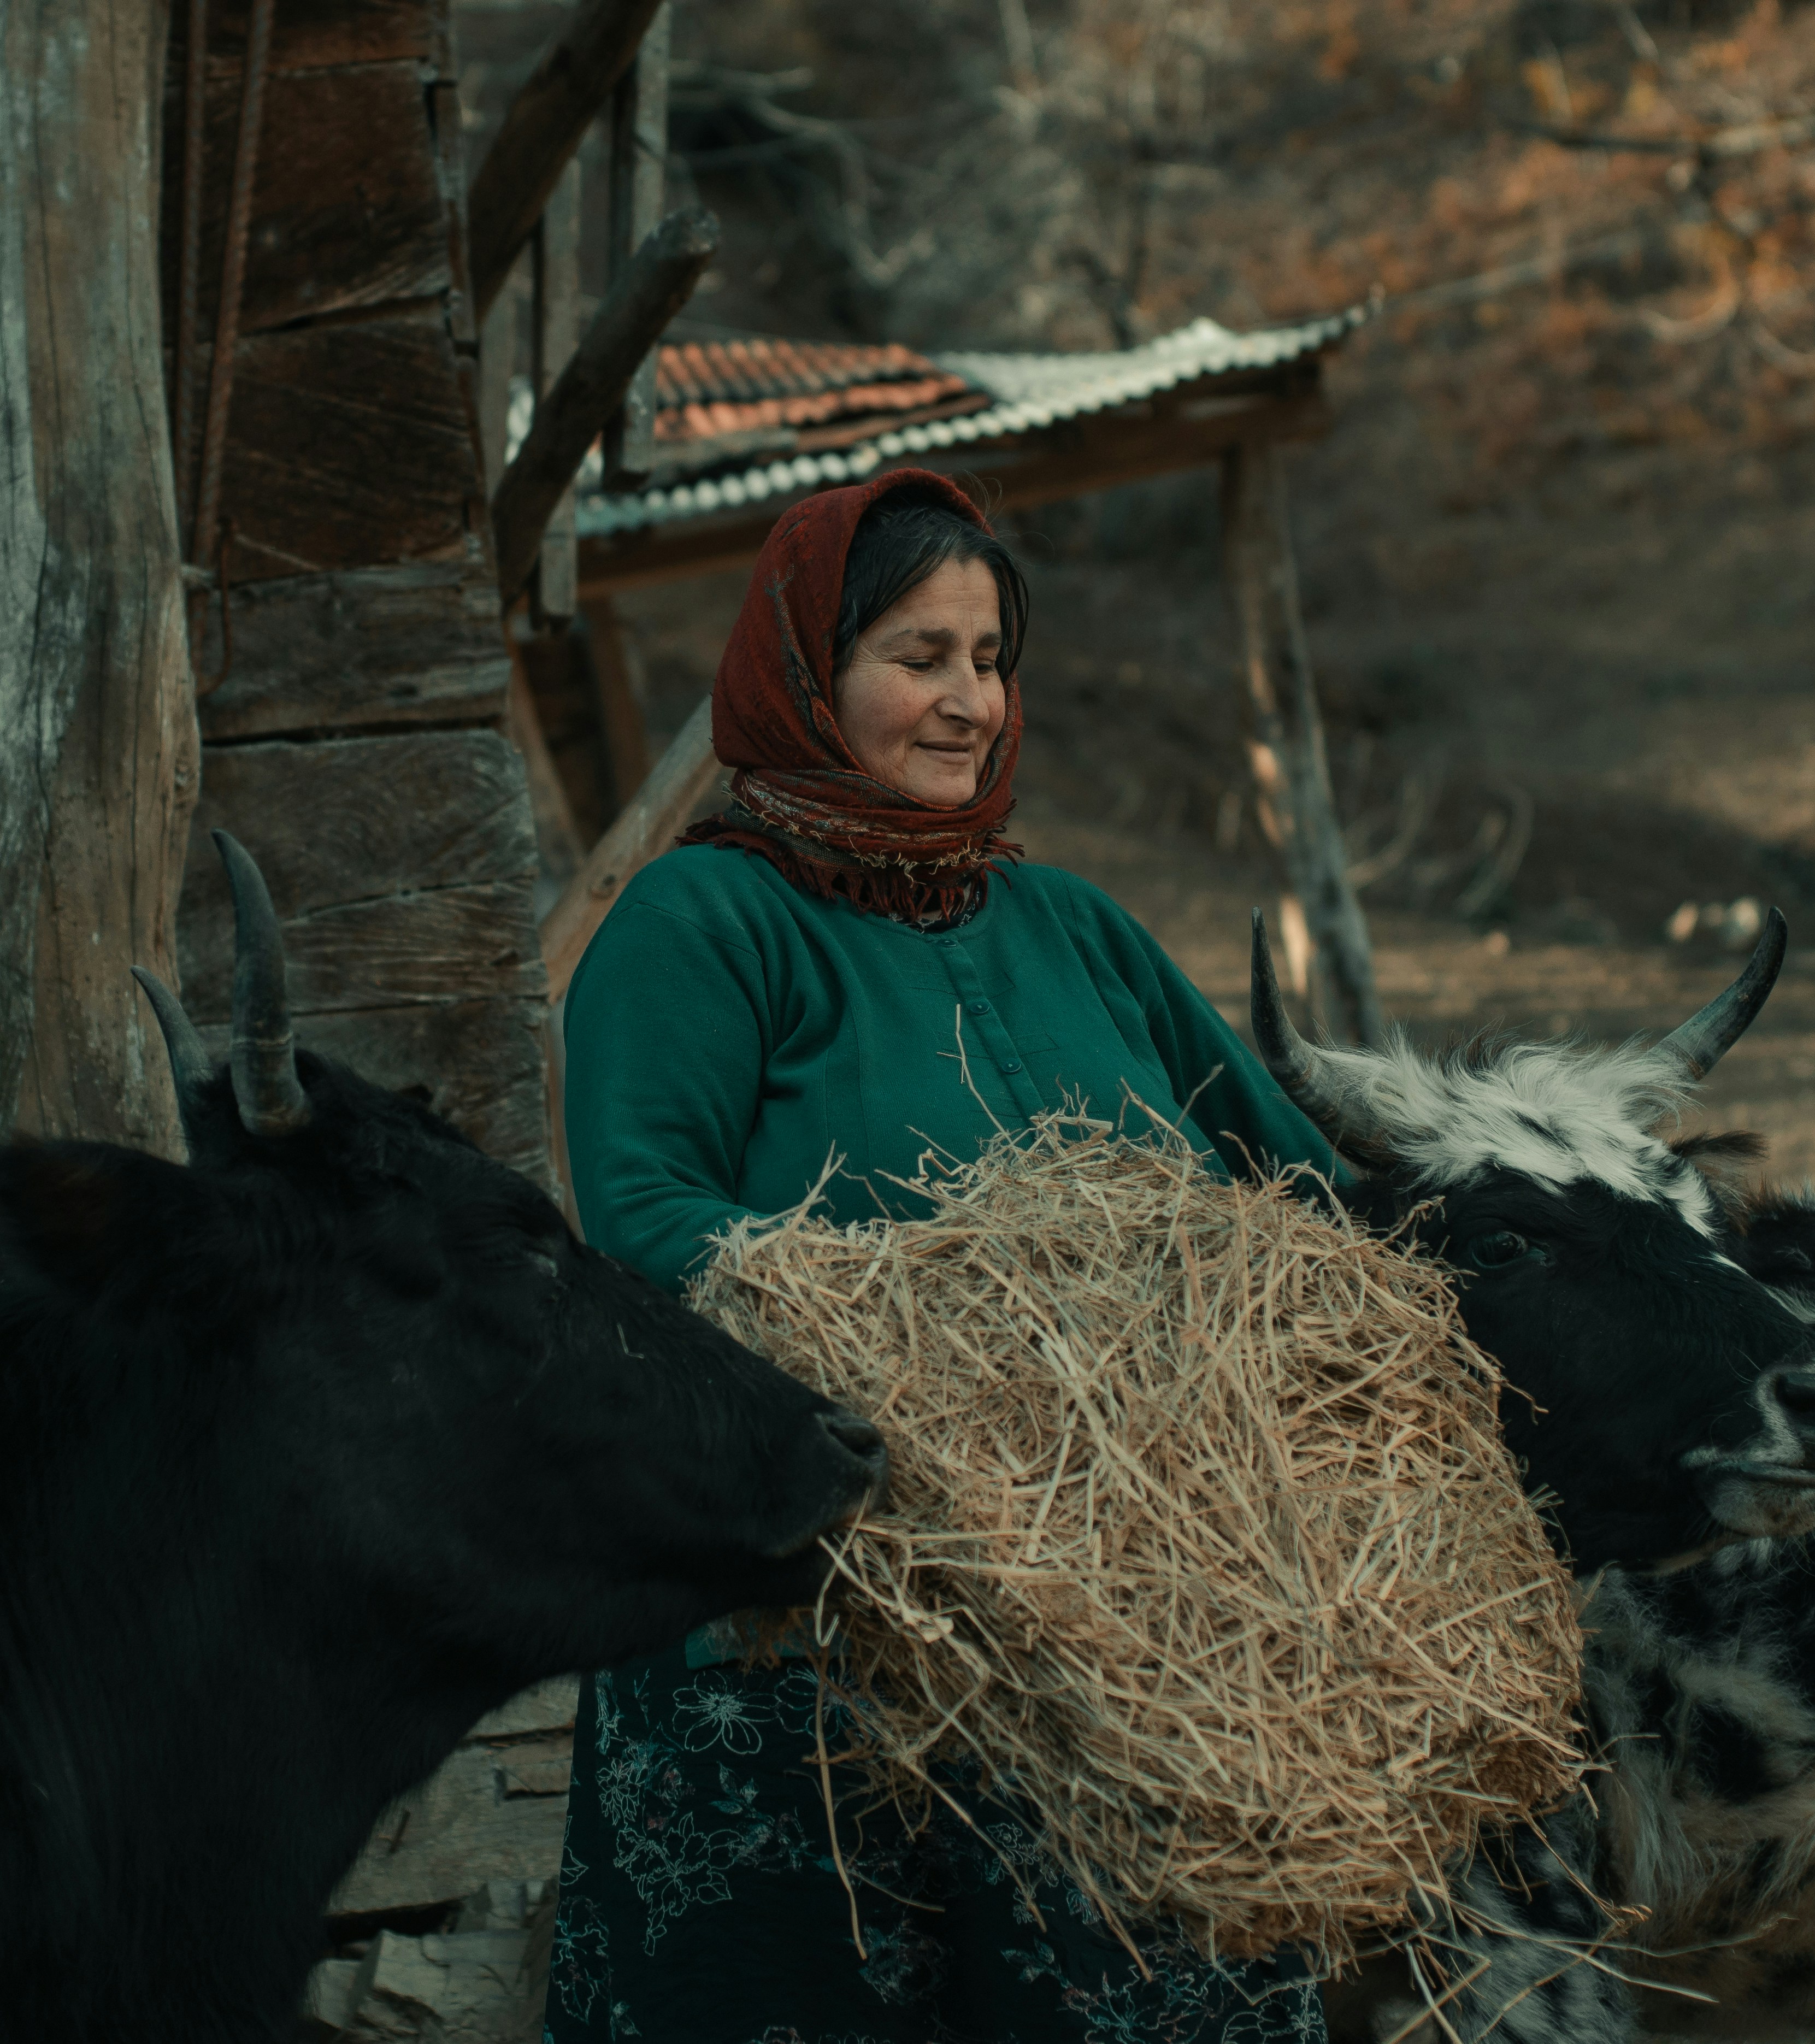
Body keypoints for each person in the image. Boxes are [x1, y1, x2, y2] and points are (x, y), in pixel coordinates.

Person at [542, 469, 1340, 2043]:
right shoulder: (703, 924)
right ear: (807, 670)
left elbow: (1296, 1194)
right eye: (920, 656)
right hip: (817, 1634)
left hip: (1131, 1642)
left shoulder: (1072, 928)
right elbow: (649, 1227)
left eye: (989, 658)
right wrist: (984, 1329)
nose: (971, 701)